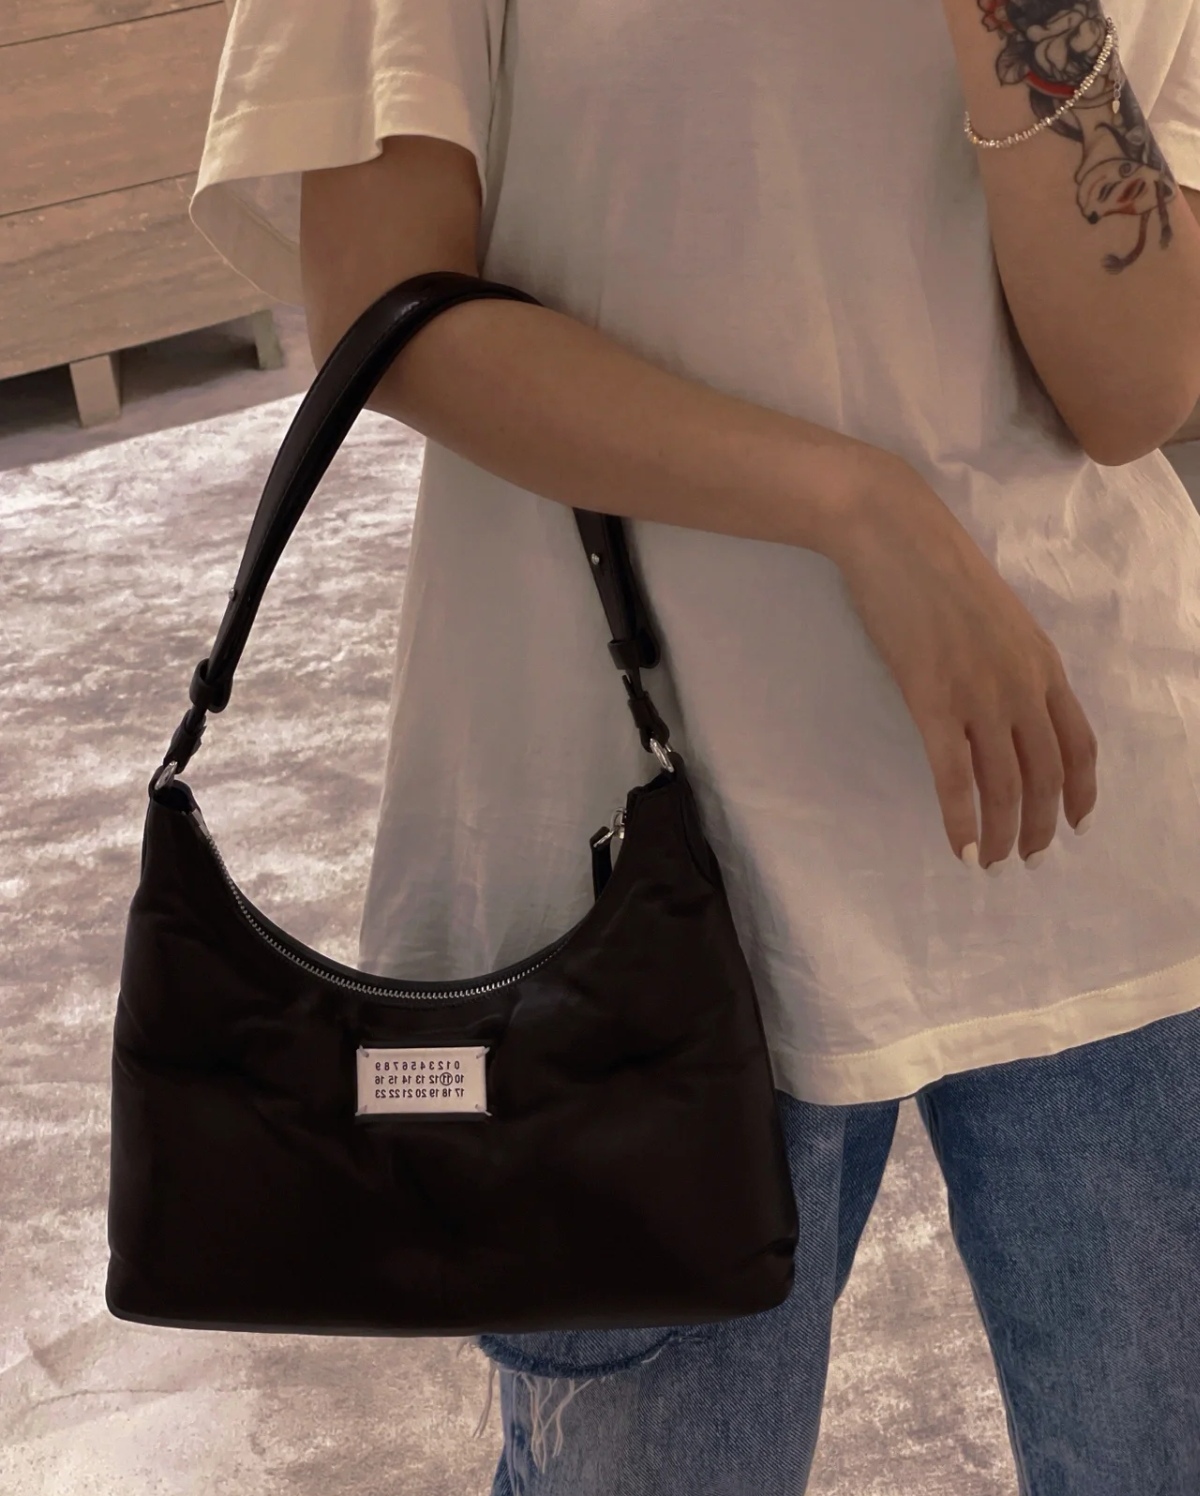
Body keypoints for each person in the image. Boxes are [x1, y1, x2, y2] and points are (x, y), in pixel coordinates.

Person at [189, 0, 1200, 1489]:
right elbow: (386, 307)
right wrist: (857, 506)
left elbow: (1137, 389)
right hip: (637, 854)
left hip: (1093, 810)